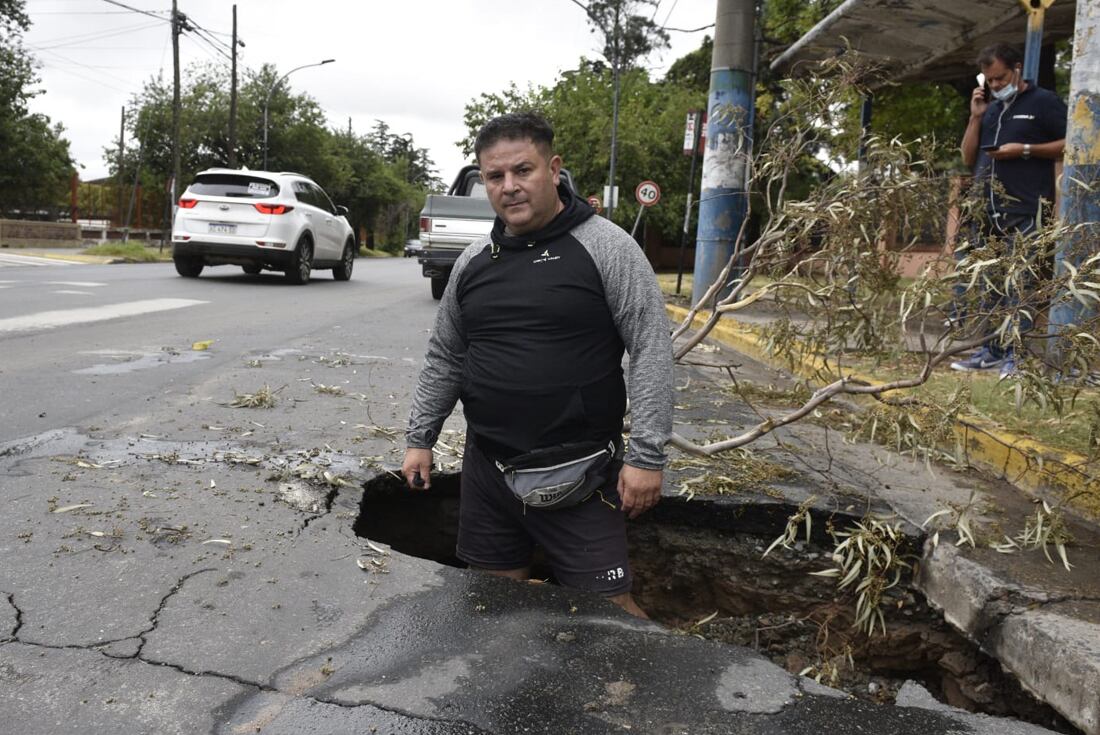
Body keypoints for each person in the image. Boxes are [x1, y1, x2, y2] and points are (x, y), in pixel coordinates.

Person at [402, 112, 673, 618]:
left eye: (522, 171)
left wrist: (647, 456)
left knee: (610, 613)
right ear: (482, 181)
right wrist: (421, 438)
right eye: (495, 177)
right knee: (494, 602)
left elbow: (651, 349)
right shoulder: (473, 261)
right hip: (489, 471)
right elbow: (446, 355)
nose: (510, 187)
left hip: (581, 474)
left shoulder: (608, 248)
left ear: (553, 168)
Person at [952, 43, 1066, 377]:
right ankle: (991, 351)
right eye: (990, 80)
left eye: (1001, 78)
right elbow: (967, 157)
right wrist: (975, 118)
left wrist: (1026, 149)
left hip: (1027, 210)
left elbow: (1071, 142)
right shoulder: (989, 109)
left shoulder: (1043, 102)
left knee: (1021, 287)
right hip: (987, 214)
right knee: (990, 286)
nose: (996, 85)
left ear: (1017, 68)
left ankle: (1018, 356)